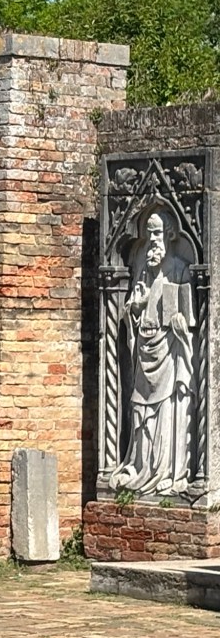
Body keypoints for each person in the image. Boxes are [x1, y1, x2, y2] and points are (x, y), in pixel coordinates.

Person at [110, 209, 196, 495]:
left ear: (170, 234)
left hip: (169, 353)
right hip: (143, 353)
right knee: (138, 409)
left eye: (157, 233)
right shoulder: (141, 271)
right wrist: (134, 308)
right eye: (148, 234)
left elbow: (189, 321)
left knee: (167, 410)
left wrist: (180, 324)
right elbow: (130, 312)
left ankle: (167, 470)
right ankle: (139, 465)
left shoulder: (181, 269)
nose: (152, 240)